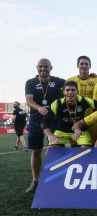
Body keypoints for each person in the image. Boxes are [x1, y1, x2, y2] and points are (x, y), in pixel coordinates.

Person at [25, 58, 65, 193]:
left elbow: (73, 84)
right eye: (41, 66)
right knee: (36, 151)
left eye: (46, 66)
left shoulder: (58, 81)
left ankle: (54, 180)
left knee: (55, 148)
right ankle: (35, 180)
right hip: (36, 121)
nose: (43, 69)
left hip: (53, 121)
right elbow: (29, 100)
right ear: (37, 67)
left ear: (51, 68)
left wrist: (92, 75)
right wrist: (38, 107)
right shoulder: (30, 83)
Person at [42, 81, 97, 147]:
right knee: (53, 149)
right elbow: (44, 122)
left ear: (77, 92)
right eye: (67, 90)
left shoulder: (84, 100)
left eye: (73, 90)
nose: (70, 92)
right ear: (64, 92)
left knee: (85, 149)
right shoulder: (57, 103)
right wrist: (50, 135)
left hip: (80, 130)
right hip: (62, 131)